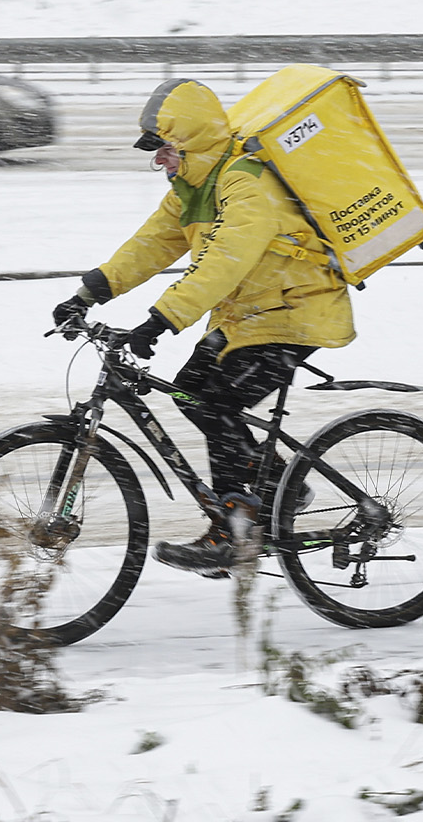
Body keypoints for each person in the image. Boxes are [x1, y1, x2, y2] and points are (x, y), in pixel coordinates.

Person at [51, 78, 354, 576]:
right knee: (190, 389)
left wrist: (160, 322)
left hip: (296, 314)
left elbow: (223, 263)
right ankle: (280, 482)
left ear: (189, 143)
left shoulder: (245, 183)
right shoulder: (193, 187)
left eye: (164, 149)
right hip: (248, 318)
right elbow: (150, 245)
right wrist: (88, 293)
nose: (158, 162)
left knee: (216, 401)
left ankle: (236, 529)